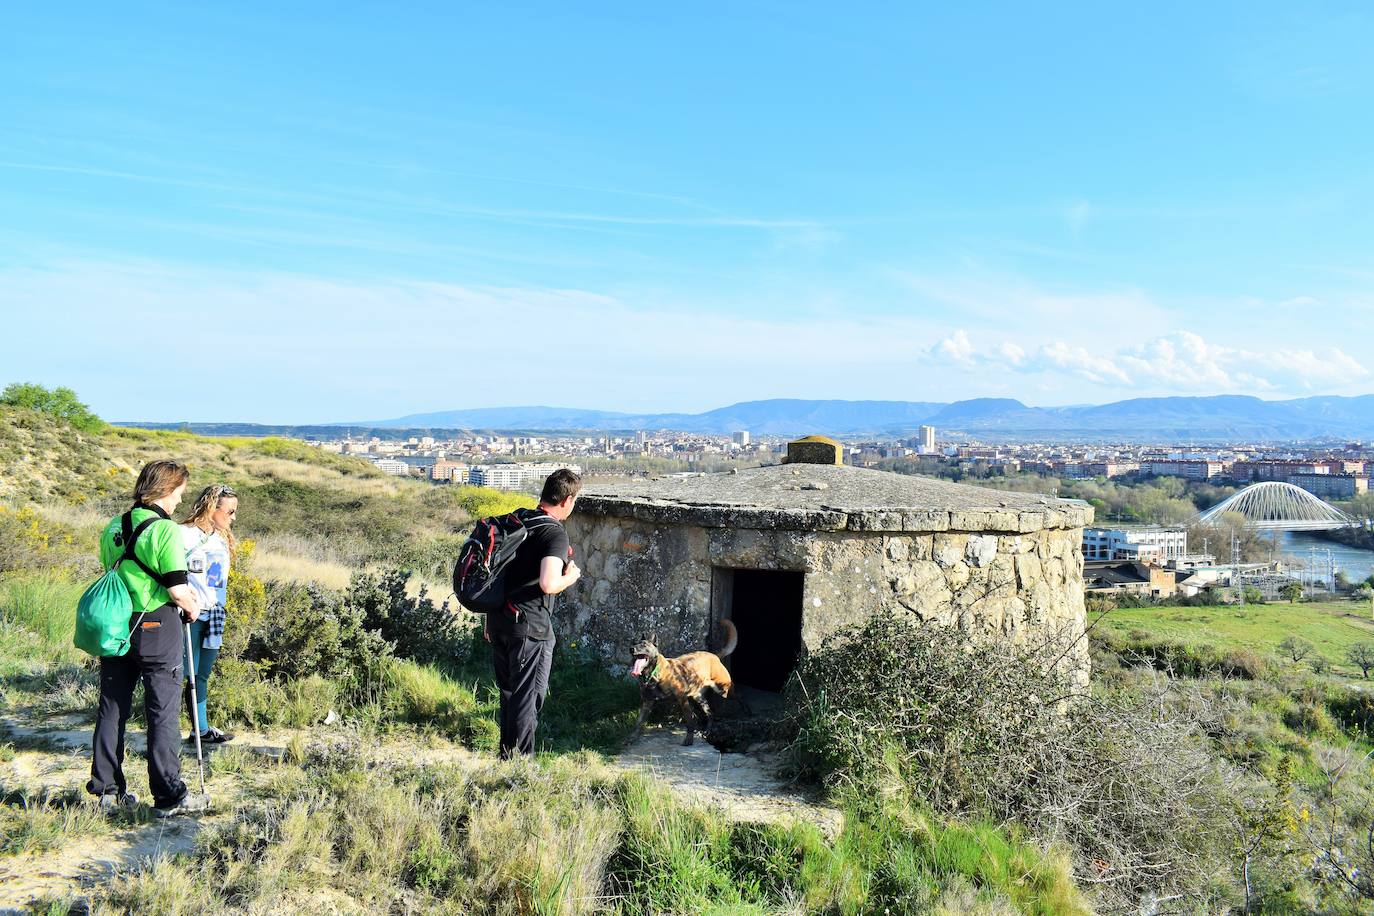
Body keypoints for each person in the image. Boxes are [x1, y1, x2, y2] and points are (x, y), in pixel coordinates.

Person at [87, 460, 208, 817]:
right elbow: (176, 587)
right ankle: (169, 795)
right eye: (179, 493)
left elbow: (112, 570)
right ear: (166, 490)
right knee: (162, 711)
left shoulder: (114, 526)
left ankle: (107, 789)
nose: (179, 501)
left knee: (112, 707)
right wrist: (193, 606)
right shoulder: (165, 530)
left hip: (117, 625)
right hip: (156, 626)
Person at [484, 468, 582, 758]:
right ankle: (520, 766)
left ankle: (506, 758)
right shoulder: (554, 533)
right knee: (528, 698)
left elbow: (497, 574)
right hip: (531, 628)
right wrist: (571, 577)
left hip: (499, 620)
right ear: (567, 500)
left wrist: (488, 621)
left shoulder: (518, 520)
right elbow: (549, 583)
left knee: (509, 694)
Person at [179, 484, 238, 745]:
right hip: (189, 615)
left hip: (214, 614)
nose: (233, 517)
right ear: (212, 507)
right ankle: (170, 730)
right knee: (184, 675)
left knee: (201, 675)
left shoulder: (221, 538)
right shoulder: (183, 534)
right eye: (230, 511)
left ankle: (200, 730)